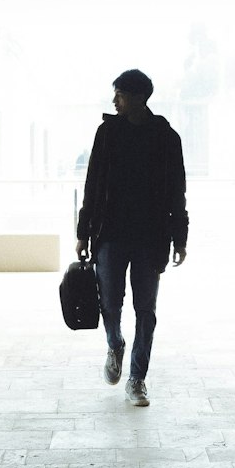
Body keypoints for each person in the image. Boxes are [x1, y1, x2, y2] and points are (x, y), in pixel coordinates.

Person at [76, 69, 188, 406]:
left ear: (138, 97)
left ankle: (137, 379)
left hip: (150, 238)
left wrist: (180, 237)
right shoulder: (107, 134)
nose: (114, 101)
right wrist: (83, 232)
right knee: (109, 302)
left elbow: (177, 192)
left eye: (120, 95)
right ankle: (115, 344)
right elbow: (93, 184)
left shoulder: (167, 138)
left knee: (146, 310)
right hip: (109, 234)